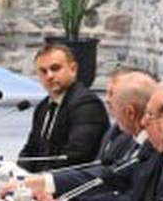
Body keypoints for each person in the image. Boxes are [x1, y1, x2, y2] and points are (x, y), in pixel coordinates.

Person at [23, 71, 158, 201]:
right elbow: (111, 177)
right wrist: (65, 200)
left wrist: (52, 187)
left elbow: (127, 195)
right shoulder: (131, 139)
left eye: (153, 115)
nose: (109, 105)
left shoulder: (153, 148)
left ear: (130, 112)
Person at [16, 42, 108, 172]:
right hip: (42, 182)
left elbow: (75, 156)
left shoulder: (86, 105)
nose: (49, 76)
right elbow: (31, 150)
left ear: (73, 69)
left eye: (55, 68)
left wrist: (41, 179)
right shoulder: (43, 107)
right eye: (43, 71)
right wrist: (19, 175)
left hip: (70, 184)